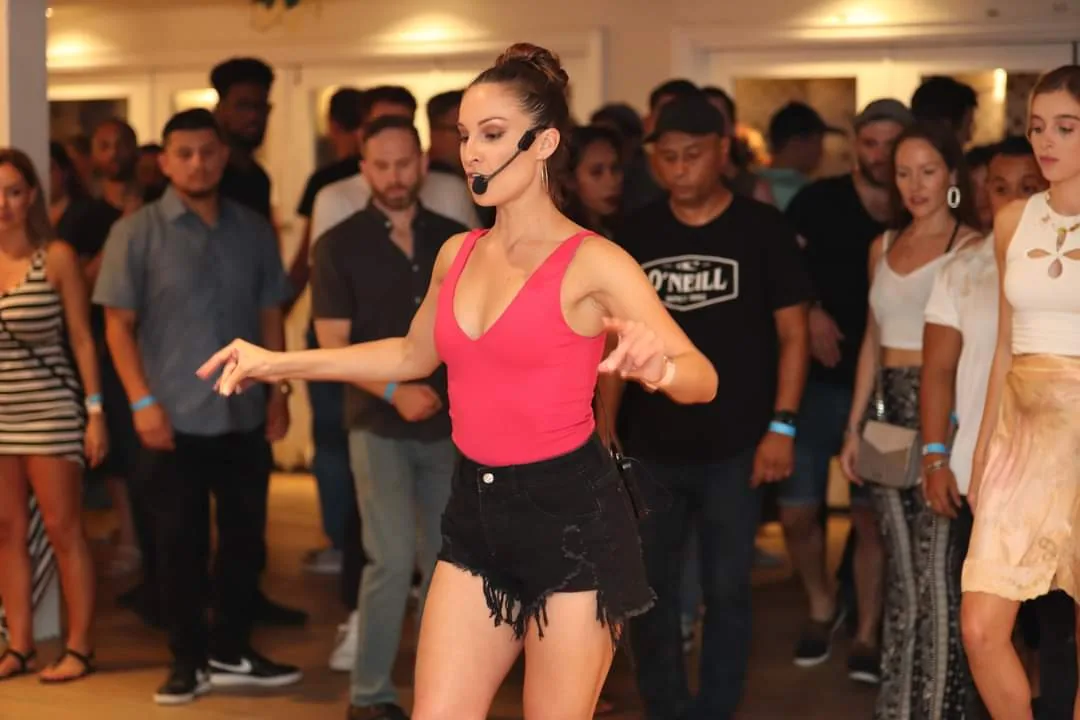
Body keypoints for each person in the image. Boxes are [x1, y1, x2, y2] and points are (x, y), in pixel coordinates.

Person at [197, 42, 718, 719]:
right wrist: (279, 363)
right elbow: (411, 357)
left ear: (544, 143)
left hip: (575, 524)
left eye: (492, 134)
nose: (471, 152)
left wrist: (663, 365)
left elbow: (702, 379)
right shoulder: (459, 253)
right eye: (465, 135)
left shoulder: (594, 261)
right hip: (474, 513)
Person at [605, 92, 811, 720]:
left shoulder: (761, 228)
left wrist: (782, 425)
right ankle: (665, 706)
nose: (680, 168)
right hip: (651, 448)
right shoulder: (634, 233)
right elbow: (610, 339)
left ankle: (717, 707)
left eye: (693, 155)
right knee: (651, 592)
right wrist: (604, 428)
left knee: (727, 590)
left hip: (737, 446)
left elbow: (794, 334)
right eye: (666, 157)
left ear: (723, 153)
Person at [94, 108, 302, 705]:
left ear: (224, 156)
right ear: (163, 162)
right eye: (183, 153)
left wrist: (280, 391)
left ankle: (233, 648)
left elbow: (270, 317)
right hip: (169, 419)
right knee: (177, 547)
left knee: (245, 542)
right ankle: (186, 660)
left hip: (242, 415)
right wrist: (141, 402)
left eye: (208, 152)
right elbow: (116, 327)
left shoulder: (253, 229)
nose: (197, 163)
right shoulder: (135, 232)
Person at [839, 121, 981, 719]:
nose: (915, 184)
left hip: (937, 410)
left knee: (938, 572)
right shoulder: (883, 243)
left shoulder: (972, 246)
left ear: (951, 173)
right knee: (900, 568)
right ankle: (899, 703)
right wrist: (852, 426)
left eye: (928, 170)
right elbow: (872, 338)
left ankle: (939, 704)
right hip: (883, 411)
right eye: (903, 172)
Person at [961, 64, 1080, 719]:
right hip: (1023, 436)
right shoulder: (1013, 219)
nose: (1047, 141)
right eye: (1038, 127)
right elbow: (1005, 345)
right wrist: (982, 451)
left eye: (1066, 127)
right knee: (981, 626)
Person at [920, 136, 1050, 718]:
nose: (1012, 199)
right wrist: (936, 454)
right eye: (1000, 187)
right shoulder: (962, 268)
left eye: (1028, 187)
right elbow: (938, 371)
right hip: (988, 468)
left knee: (1059, 627)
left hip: (1062, 464)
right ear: (982, 192)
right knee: (991, 626)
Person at [783, 98, 912, 676]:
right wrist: (808, 312)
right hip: (815, 385)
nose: (881, 156)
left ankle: (866, 632)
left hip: (893, 391)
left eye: (892, 144)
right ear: (856, 144)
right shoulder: (818, 201)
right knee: (797, 513)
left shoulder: (922, 205)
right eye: (871, 143)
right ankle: (821, 604)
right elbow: (781, 272)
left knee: (872, 518)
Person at [0, 148, 107, 682]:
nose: (3, 203)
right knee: (6, 531)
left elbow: (84, 339)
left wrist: (96, 412)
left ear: (33, 194)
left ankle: (80, 646)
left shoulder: (57, 255)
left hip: (50, 410)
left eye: (14, 190)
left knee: (66, 531)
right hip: (1, 413)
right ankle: (18, 645)